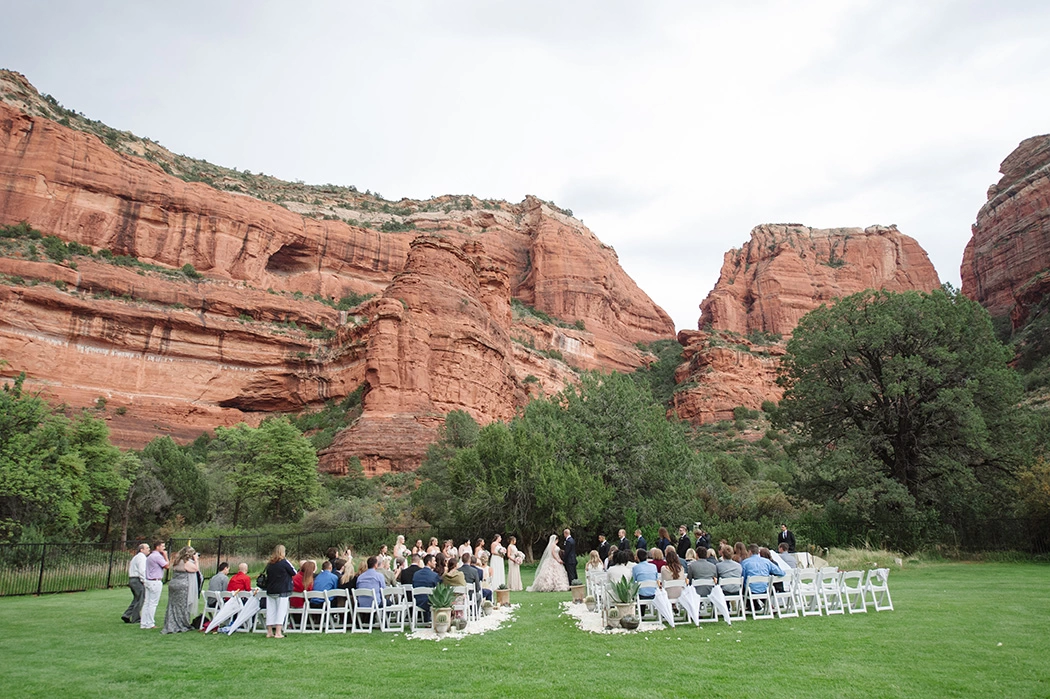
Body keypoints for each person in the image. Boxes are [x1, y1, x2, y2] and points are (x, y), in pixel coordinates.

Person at [161, 546, 199, 634]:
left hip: (173, 584)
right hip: (182, 585)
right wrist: (196, 560)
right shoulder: (185, 562)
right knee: (182, 605)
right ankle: (181, 624)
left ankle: (171, 623)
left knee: (173, 605)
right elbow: (195, 569)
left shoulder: (177, 561)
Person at [263, 544, 296, 638]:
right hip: (282, 589)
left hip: (271, 589)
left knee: (271, 610)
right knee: (281, 610)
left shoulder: (270, 564)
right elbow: (294, 572)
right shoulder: (285, 562)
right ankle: (278, 632)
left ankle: (269, 631)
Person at [140, 541, 168, 630]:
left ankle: (144, 623)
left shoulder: (150, 556)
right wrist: (165, 556)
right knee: (153, 603)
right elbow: (167, 566)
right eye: (162, 546)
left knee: (147, 602)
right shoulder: (157, 556)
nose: (164, 548)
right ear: (157, 547)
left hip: (149, 580)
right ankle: (150, 623)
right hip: (155, 581)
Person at [122, 543, 149, 624]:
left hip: (132, 579)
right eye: (147, 548)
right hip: (137, 579)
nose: (149, 549)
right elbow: (142, 570)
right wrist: (144, 580)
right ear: (141, 549)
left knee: (136, 598)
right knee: (141, 598)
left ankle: (127, 614)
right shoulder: (141, 557)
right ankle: (136, 618)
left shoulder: (136, 557)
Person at [412, 554, 441, 620]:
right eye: (434, 561)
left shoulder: (416, 574)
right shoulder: (434, 575)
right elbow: (439, 588)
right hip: (430, 602)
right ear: (429, 562)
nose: (435, 563)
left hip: (417, 601)